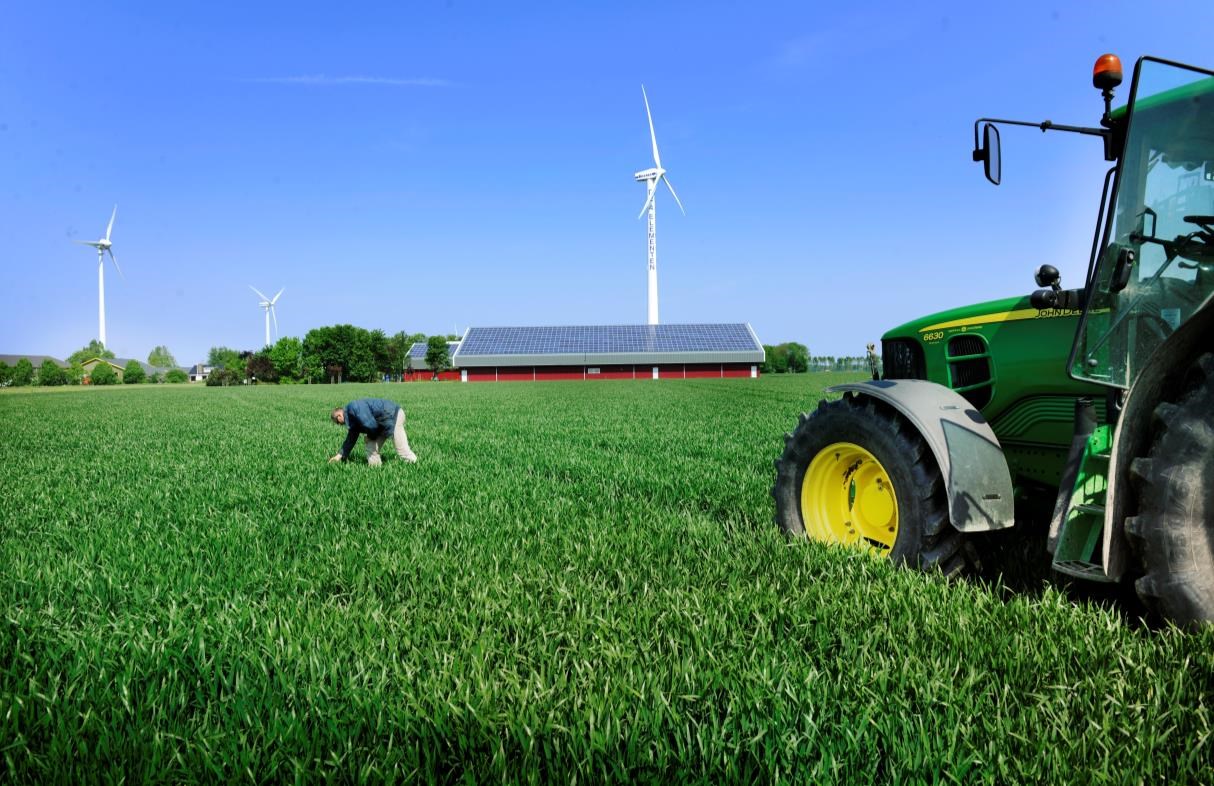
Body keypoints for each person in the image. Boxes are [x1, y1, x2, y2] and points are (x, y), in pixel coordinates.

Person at [329, 398, 418, 466]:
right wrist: (340, 455)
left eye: (337, 422)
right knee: (371, 447)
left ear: (339, 416)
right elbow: (351, 439)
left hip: (393, 415)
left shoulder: (354, 408)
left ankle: (415, 465)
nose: (339, 425)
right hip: (381, 423)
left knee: (402, 450)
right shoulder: (351, 418)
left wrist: (370, 436)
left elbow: (371, 425)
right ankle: (376, 470)